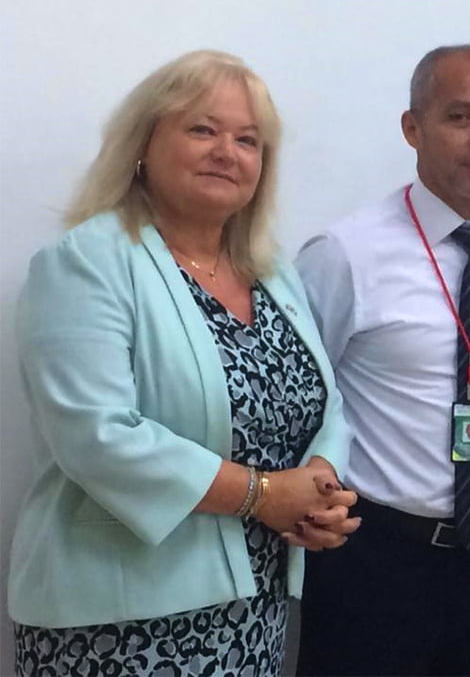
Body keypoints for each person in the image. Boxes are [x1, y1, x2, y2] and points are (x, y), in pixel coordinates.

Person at [6, 50, 360, 676]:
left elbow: (325, 401)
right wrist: (263, 495)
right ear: (144, 143)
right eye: (202, 129)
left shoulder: (272, 271)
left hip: (253, 612)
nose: (226, 151)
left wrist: (319, 485)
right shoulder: (87, 262)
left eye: (247, 140)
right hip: (119, 624)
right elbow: (98, 436)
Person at [294, 44, 470, 676]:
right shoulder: (346, 253)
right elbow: (297, 398)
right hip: (376, 559)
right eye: (460, 117)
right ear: (412, 128)